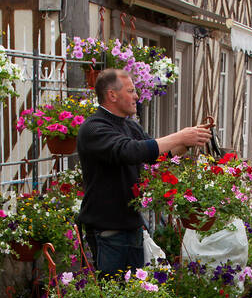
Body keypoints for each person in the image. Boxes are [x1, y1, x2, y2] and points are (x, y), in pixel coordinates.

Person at [77, 68, 211, 277]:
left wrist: (187, 142)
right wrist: (180, 136)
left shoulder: (130, 126)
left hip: (132, 225)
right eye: (131, 91)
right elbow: (130, 151)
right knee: (114, 295)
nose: (137, 96)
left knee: (136, 294)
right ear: (112, 95)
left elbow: (154, 156)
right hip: (107, 230)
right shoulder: (94, 128)